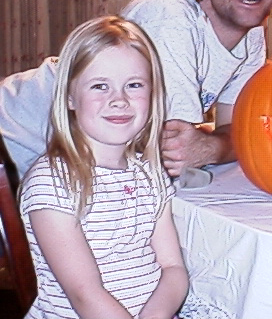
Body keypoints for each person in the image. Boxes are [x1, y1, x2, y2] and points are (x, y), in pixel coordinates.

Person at [0, 0, 272, 178]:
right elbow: (170, 150)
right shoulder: (168, 13)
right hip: (12, 137)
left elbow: (239, 133)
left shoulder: (252, 38)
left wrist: (212, 146)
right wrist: (215, 145)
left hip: (67, 165)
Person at [20, 16, 188, 318]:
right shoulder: (52, 182)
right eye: (100, 86)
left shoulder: (150, 174)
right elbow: (85, 294)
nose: (119, 100)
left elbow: (173, 268)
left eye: (134, 85)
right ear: (70, 97)